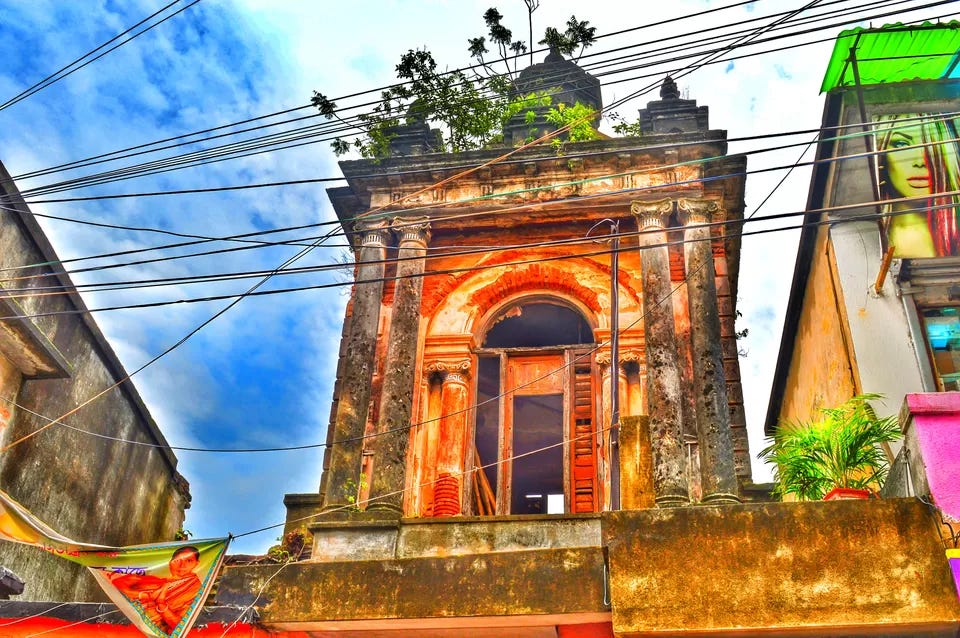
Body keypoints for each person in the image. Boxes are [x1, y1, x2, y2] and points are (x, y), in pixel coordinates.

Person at [874, 113, 960, 258]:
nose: (920, 161)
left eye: (933, 144)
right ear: (882, 154)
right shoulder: (872, 241)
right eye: (901, 144)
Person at [107, 546, 203, 634]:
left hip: (151, 633)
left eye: (189, 561)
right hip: (125, 626)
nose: (182, 565)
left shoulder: (195, 588)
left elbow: (180, 625)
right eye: (178, 561)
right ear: (170, 563)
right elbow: (118, 583)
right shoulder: (157, 580)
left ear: (196, 563)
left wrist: (161, 603)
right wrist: (144, 595)